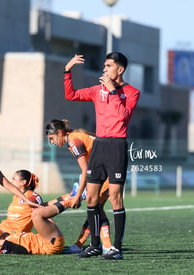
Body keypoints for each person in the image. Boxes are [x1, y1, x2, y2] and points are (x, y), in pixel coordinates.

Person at [63, 52, 140, 260]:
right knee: (92, 199)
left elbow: (122, 116)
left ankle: (117, 248)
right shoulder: (98, 90)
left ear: (120, 69)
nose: (104, 69)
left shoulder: (132, 92)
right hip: (99, 145)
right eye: (104, 66)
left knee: (115, 197)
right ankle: (95, 245)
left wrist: (114, 90)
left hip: (117, 146)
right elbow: (71, 95)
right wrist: (67, 70)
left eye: (108, 66)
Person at [45, 119, 112, 254]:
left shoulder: (73, 141)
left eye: (52, 138)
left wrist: (78, 195)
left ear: (60, 132)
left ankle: (107, 246)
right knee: (95, 209)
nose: (52, 142)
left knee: (96, 208)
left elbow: (84, 169)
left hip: (107, 171)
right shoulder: (75, 136)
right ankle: (90, 244)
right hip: (105, 170)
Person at [0, 201, 68, 255]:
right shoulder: (0, 248)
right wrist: (5, 242)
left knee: (38, 212)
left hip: (44, 239)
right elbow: (22, 251)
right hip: (49, 245)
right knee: (36, 214)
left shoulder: (2, 238)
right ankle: (71, 201)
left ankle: (71, 199)